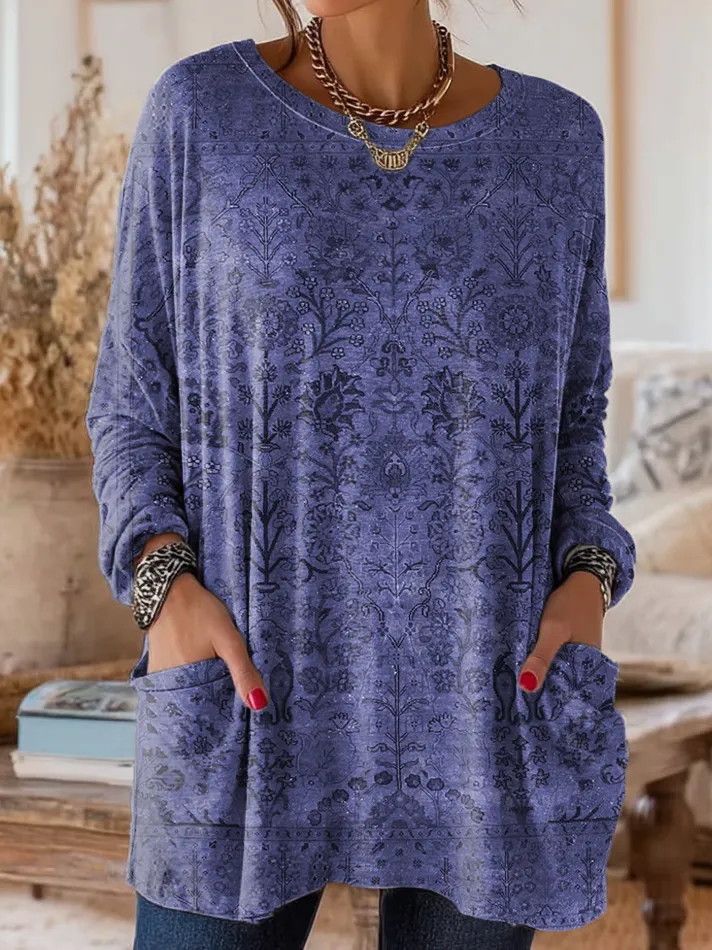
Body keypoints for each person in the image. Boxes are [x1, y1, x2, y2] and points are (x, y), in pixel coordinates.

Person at [85, 1, 637, 947]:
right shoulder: (202, 113)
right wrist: (162, 587)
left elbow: (573, 425)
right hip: (245, 692)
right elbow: (133, 403)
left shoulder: (558, 142)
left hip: (488, 705)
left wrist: (587, 577)